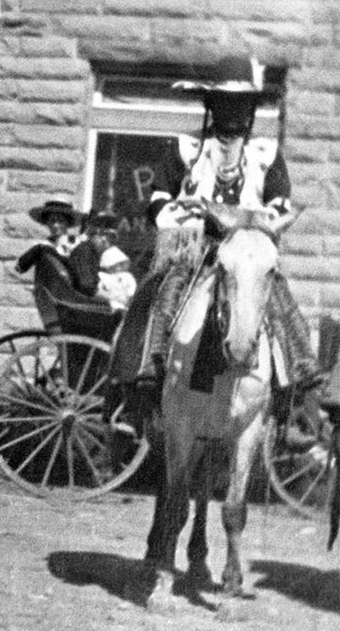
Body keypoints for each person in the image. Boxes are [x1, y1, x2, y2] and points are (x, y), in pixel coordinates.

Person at [111, 57, 329, 428]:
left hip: (246, 249)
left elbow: (278, 203)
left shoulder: (266, 155)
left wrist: (258, 219)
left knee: (277, 296)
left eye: (241, 105)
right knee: (164, 293)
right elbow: (159, 199)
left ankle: (298, 393)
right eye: (225, 104)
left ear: (251, 110)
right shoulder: (186, 150)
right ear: (211, 106)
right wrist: (184, 211)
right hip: (196, 247)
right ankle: (147, 378)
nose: (233, 114)